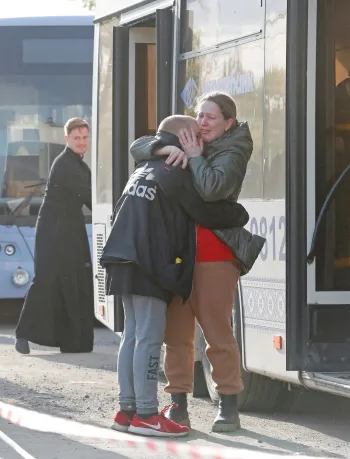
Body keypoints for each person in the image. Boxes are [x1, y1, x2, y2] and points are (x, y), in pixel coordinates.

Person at [100, 115, 255, 437]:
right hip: (154, 264)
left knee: (134, 335)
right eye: (196, 124)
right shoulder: (175, 168)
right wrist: (240, 214)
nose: (202, 126)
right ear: (182, 137)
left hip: (125, 258)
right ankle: (147, 413)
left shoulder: (149, 167)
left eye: (209, 119)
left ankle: (127, 410)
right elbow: (209, 209)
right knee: (152, 337)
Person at [14, 117, 94, 354]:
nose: (81, 142)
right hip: (54, 230)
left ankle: (73, 341)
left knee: (73, 281)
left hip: (70, 227)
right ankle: (22, 334)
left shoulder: (78, 163)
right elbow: (88, 196)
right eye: (76, 138)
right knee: (47, 280)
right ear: (66, 139)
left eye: (85, 137)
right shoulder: (66, 164)